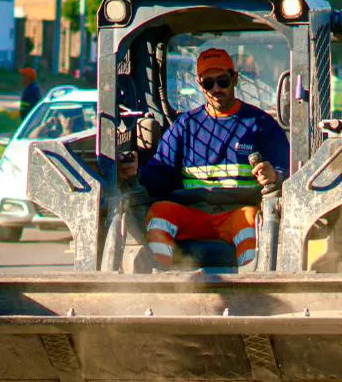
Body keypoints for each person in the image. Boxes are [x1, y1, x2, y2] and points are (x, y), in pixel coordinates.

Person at [121, 48, 288, 269]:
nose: (216, 88)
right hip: (193, 213)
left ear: (235, 78)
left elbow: (285, 169)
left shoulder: (261, 124)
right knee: (159, 214)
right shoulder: (185, 127)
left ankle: (251, 286)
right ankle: (160, 284)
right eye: (208, 83)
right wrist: (135, 172)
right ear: (200, 85)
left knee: (251, 221)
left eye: (222, 81)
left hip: (238, 212)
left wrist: (274, 175)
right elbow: (159, 172)